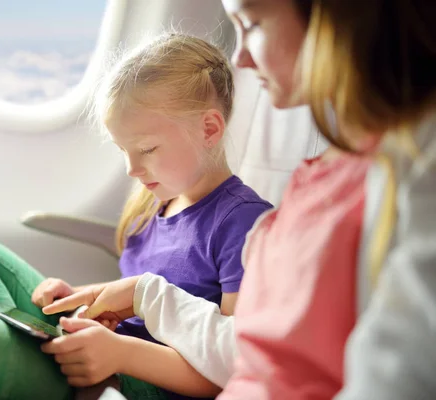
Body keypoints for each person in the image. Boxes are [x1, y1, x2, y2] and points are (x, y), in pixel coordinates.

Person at [44, 0, 436, 399]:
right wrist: (110, 298)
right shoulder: (318, 178)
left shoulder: (398, 177)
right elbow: (250, 347)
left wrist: (131, 331)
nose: (239, 57)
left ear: (329, 21)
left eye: (252, 24)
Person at [0, 32, 272, 400]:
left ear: (209, 129)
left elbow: (231, 371)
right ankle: (1, 329)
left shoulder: (242, 225)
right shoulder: (159, 200)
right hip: (107, 346)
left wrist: (119, 355)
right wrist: (81, 296)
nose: (132, 168)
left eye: (147, 149)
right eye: (123, 150)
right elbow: (130, 298)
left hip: (141, 380)